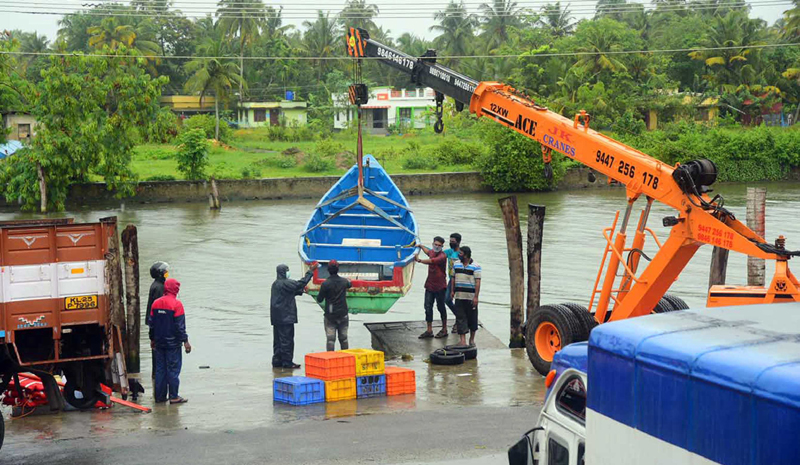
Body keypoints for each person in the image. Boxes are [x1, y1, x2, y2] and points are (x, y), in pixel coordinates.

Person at [150, 278, 191, 404]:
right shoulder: (177, 305)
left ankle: (160, 397)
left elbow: (152, 324)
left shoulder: (155, 303)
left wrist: (152, 339)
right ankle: (174, 396)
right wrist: (185, 341)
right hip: (173, 344)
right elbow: (180, 326)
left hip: (159, 342)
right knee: (173, 370)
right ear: (175, 289)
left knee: (160, 369)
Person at [270, 262, 319, 369]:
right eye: (287, 270)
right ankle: (287, 362)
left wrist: (300, 291)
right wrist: (310, 272)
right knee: (287, 340)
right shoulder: (286, 283)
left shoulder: (275, 284)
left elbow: (289, 292)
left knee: (278, 340)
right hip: (286, 317)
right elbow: (299, 284)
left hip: (276, 318)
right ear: (284, 272)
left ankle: (277, 361)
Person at [416, 236, 449, 339]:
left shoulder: (442, 256)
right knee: (428, 307)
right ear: (433, 244)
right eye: (435, 244)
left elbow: (432, 261)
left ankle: (444, 329)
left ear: (442, 246)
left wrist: (419, 260)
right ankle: (429, 330)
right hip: (430, 285)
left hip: (440, 286)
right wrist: (420, 245)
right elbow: (428, 251)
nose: (437, 247)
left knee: (441, 307)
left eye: (439, 245)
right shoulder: (432, 252)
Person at [316, 260, 352, 351]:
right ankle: (345, 359)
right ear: (338, 269)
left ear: (328, 270)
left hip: (330, 315)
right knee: (344, 339)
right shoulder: (344, 282)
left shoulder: (325, 284)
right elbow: (349, 284)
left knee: (330, 340)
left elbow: (319, 299)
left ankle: (331, 359)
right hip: (343, 314)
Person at [450, 246, 481, 347]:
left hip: (470, 297)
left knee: (472, 318)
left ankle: (471, 340)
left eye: (461, 253)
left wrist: (476, 297)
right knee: (460, 318)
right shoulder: (456, 264)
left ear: (466, 255)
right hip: (459, 296)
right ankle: (462, 341)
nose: (459, 255)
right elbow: (453, 278)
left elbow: (478, 282)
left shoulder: (476, 266)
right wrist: (452, 291)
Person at [146, 262, 169, 379]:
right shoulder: (159, 287)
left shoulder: (156, 285)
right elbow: (159, 309)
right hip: (157, 325)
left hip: (154, 324)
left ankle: (156, 373)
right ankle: (157, 374)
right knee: (157, 351)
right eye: (165, 272)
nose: (167, 274)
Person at [445, 233, 462, 332]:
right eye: (450, 241)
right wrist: (420, 246)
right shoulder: (449, 252)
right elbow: (435, 253)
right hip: (451, 279)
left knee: (458, 301)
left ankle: (459, 321)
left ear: (458, 242)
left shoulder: (461, 253)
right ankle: (460, 318)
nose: (451, 243)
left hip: (460, 280)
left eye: (453, 242)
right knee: (447, 300)